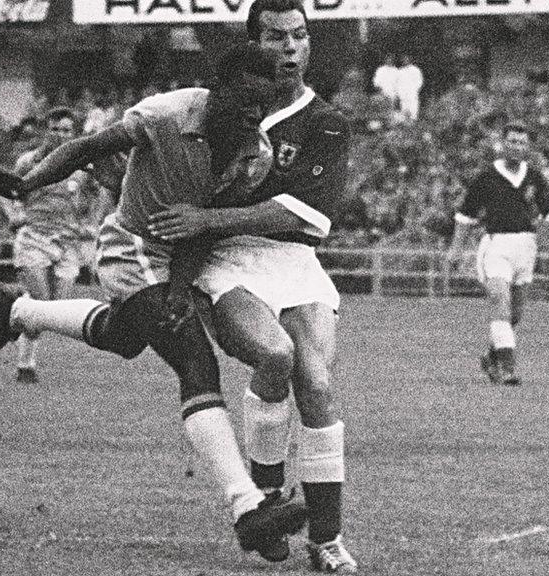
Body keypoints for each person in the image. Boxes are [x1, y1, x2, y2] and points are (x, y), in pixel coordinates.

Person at [0, 42, 308, 561]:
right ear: (220, 90)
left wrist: (179, 289)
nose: (253, 117)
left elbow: (205, 229)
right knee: (195, 361)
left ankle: (17, 311)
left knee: (125, 337)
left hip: (177, 261)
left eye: (262, 109)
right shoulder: (170, 112)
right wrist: (26, 183)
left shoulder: (253, 155)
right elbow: (89, 147)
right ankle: (248, 508)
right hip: (131, 248)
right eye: (245, 103)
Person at [147, 1, 358, 571]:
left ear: (310, 44)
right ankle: (266, 506)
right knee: (275, 355)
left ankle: (326, 539)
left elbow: (309, 216)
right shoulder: (209, 112)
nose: (289, 48)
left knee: (316, 382)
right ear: (253, 44)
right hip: (227, 261)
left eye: (299, 37)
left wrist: (209, 217)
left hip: (294, 260)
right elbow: (151, 156)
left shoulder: (328, 121)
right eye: (276, 37)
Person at [0, 107, 109, 383]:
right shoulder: (28, 162)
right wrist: (14, 214)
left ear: (74, 133)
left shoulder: (83, 166)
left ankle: (8, 305)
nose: (60, 134)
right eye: (55, 129)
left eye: (66, 130)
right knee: (41, 303)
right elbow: (3, 190)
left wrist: (93, 220)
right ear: (47, 130)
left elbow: (105, 189)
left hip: (68, 242)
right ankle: (26, 367)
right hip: (34, 238)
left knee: (55, 308)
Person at [448, 123, 549, 386]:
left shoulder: (534, 176)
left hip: (526, 247)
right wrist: (456, 249)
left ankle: (492, 357)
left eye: (521, 143)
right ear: (502, 144)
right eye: (511, 141)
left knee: (515, 314)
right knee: (499, 302)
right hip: (496, 245)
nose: (516, 147)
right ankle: (508, 369)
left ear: (527, 147)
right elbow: (465, 215)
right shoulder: (486, 177)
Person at [394, 54, 424, 123]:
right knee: (404, 109)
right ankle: (405, 124)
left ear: (410, 59)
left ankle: (413, 121)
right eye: (403, 59)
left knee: (413, 108)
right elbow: (397, 83)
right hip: (403, 94)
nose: (405, 61)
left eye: (406, 59)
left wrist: (414, 90)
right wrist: (399, 93)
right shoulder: (400, 71)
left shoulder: (415, 70)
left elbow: (419, 81)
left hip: (412, 93)